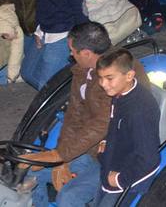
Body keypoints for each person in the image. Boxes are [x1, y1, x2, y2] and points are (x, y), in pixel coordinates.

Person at [25, 22, 150, 207]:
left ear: (86, 53)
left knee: (69, 196)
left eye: (72, 51)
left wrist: (62, 155)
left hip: (118, 156)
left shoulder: (119, 77)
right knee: (30, 170)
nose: (70, 55)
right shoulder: (83, 71)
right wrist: (62, 157)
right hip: (89, 148)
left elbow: (103, 123)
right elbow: (74, 115)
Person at [93, 47, 160, 204]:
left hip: (126, 180)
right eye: (100, 78)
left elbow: (149, 159)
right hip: (113, 163)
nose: (103, 84)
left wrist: (119, 179)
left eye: (109, 78)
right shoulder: (120, 94)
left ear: (129, 75)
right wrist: (106, 141)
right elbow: (117, 125)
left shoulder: (139, 110)